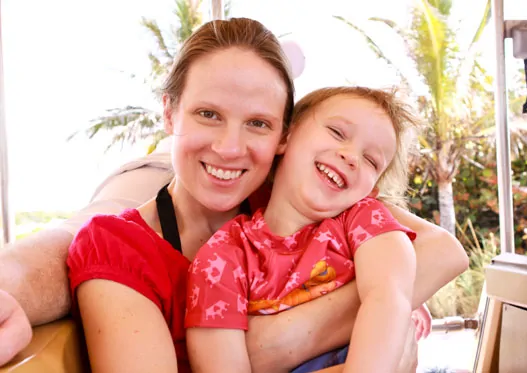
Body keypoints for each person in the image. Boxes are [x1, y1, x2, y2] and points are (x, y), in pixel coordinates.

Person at [0, 17, 468, 371]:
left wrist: (384, 303)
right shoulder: (119, 247)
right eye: (207, 114)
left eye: (259, 124)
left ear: (285, 135)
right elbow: (63, 236)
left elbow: (443, 253)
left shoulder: (308, 194)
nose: (229, 148)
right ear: (170, 113)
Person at [185, 86, 420, 373]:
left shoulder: (365, 220)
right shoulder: (222, 258)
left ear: (373, 190)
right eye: (337, 132)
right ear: (286, 136)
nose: (351, 157)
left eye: (371, 160)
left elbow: (389, 296)